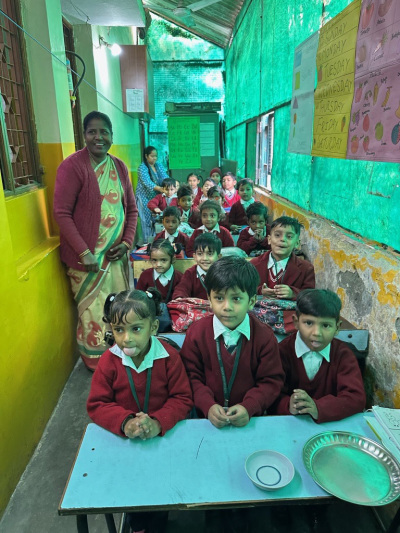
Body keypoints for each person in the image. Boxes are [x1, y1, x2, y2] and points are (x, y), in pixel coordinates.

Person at [180, 257, 284, 533]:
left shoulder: (264, 337)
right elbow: (190, 376)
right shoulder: (197, 333)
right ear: (209, 299)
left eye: (236, 299)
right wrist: (206, 404)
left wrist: (250, 406)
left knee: (247, 481)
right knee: (212, 479)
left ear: (252, 301)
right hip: (207, 422)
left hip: (249, 423)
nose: (227, 307)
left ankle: (244, 515)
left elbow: (272, 381)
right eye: (219, 298)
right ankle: (214, 515)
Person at [87, 288, 193, 533]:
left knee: (161, 492)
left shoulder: (169, 358)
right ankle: (137, 524)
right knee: (132, 490)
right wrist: (125, 422)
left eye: (136, 329)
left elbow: (182, 398)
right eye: (119, 330)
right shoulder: (108, 361)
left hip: (161, 441)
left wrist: (157, 422)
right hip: (126, 444)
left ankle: (157, 523)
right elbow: (97, 404)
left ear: (153, 327)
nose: (126, 339)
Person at [53, 111, 138, 371]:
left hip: (115, 259)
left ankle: (120, 354)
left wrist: (126, 243)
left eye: (104, 132)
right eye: (92, 132)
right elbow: (62, 213)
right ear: (84, 135)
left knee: (119, 308)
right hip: (87, 263)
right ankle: (97, 363)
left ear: (112, 136)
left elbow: (131, 210)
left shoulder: (119, 167)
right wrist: (84, 252)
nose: (98, 137)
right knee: (93, 312)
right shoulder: (72, 166)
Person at [271, 289, 366, 422]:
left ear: (337, 327)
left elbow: (355, 398)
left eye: (326, 325)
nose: (317, 333)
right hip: (289, 424)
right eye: (309, 323)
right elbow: (270, 394)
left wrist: (318, 407)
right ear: (296, 322)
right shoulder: (281, 352)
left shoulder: (343, 355)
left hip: (330, 426)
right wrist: (287, 405)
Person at [251, 216, 315, 299]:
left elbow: (310, 296)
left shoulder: (306, 268)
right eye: (277, 235)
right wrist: (260, 291)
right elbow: (244, 289)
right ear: (269, 239)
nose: (282, 239)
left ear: (297, 243)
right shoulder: (253, 265)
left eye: (289, 237)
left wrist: (293, 293)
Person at [172, 233, 221, 300]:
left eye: (210, 254)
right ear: (194, 256)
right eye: (200, 254)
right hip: (196, 306)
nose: (205, 258)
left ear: (219, 257)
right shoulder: (190, 273)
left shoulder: (224, 273)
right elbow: (181, 289)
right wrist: (179, 298)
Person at [136, 146, 169, 244]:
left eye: (156, 156)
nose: (154, 158)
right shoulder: (142, 168)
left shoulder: (158, 165)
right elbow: (147, 182)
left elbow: (165, 177)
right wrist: (161, 189)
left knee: (156, 219)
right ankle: (147, 243)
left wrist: (171, 185)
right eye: (152, 156)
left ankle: (156, 242)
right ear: (146, 156)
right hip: (144, 198)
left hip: (155, 198)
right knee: (146, 221)